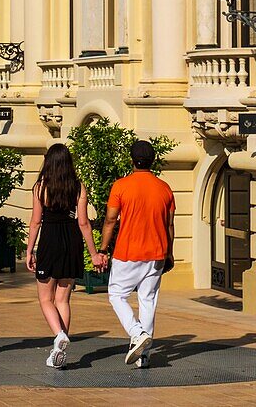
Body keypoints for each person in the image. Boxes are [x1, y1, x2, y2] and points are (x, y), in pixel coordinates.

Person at [26, 143, 105, 369]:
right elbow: (83, 222)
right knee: (63, 299)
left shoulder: (40, 187)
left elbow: (35, 222)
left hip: (50, 241)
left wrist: (30, 250)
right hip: (71, 242)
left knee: (45, 299)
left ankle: (59, 335)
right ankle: (58, 348)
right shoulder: (79, 187)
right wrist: (94, 253)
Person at [99, 140, 175, 368]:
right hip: (157, 252)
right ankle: (144, 355)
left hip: (128, 251)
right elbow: (170, 224)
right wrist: (170, 253)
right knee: (148, 299)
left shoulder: (121, 186)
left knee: (116, 294)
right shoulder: (164, 188)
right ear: (153, 161)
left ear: (131, 160)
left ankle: (136, 332)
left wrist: (102, 249)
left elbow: (111, 220)